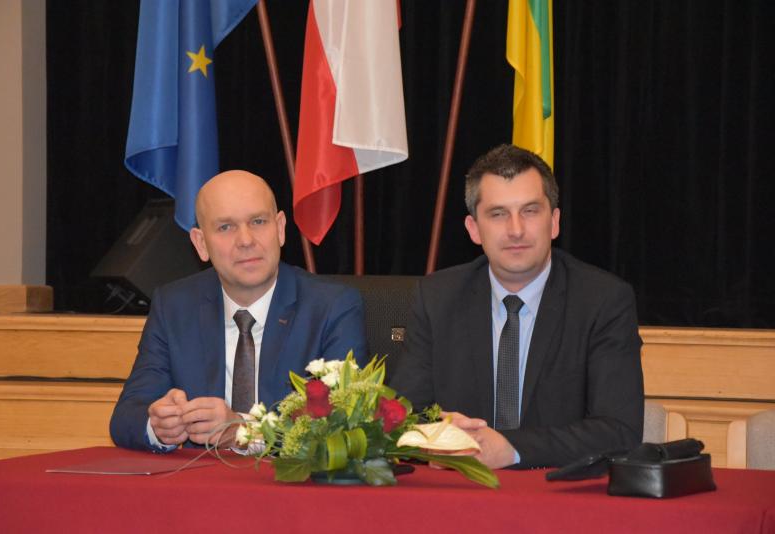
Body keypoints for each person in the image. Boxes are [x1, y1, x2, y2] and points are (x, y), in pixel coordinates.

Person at [390, 144, 644, 469]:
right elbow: (400, 419)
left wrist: (511, 449)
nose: (516, 230)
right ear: (473, 229)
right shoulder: (437, 298)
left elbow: (619, 431)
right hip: (462, 490)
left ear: (554, 222)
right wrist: (438, 437)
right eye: (498, 214)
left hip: (555, 491)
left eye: (530, 211)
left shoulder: (603, 301)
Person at [110, 170, 367, 452]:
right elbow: (126, 418)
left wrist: (243, 432)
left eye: (258, 222)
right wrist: (158, 426)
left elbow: (344, 423)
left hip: (289, 479)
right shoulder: (174, 306)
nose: (245, 240)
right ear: (201, 243)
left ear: (280, 229)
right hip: (201, 478)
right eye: (226, 227)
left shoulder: (332, 307)